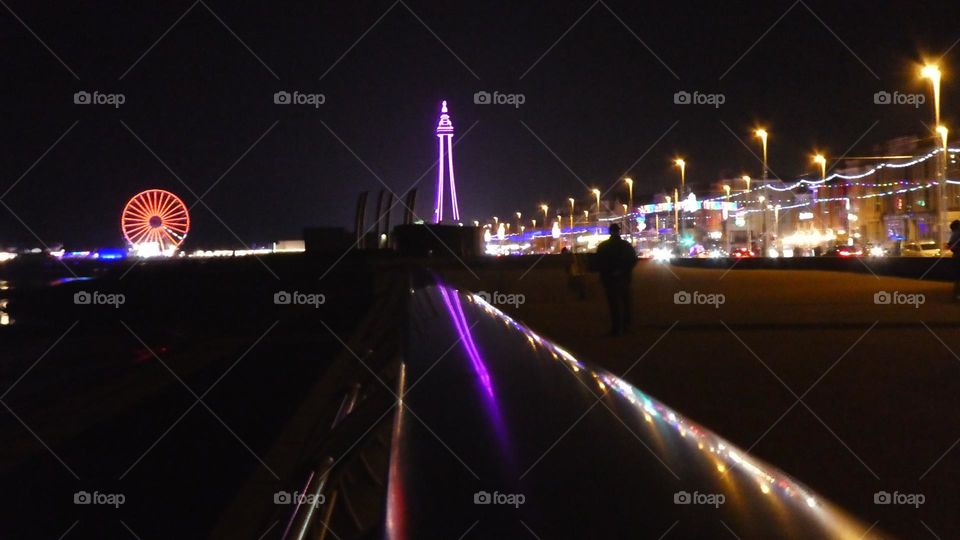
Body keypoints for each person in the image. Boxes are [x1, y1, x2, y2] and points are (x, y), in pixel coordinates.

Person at [595, 223, 638, 335]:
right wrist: (624, 270)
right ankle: (626, 326)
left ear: (609, 232)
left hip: (609, 279)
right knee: (626, 303)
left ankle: (616, 328)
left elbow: (598, 263)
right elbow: (633, 260)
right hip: (624, 278)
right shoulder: (626, 245)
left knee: (613, 304)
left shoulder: (603, 246)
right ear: (619, 231)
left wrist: (607, 273)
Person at [947, 220, 960, 300]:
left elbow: (951, 246)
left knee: (957, 277)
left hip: (956, 257)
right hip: (958, 257)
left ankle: (956, 294)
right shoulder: (957, 234)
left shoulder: (954, 234)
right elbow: (952, 246)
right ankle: (957, 295)